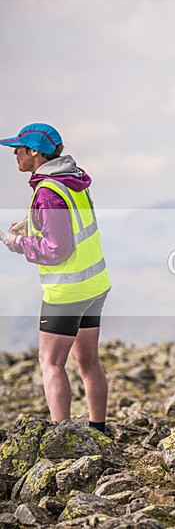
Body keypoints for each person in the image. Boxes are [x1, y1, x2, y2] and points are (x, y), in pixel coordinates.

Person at [1, 123, 111, 431]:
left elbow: (57, 249)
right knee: (88, 362)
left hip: (67, 292)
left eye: (18, 148)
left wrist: (17, 243)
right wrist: (31, 223)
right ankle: (97, 430)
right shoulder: (71, 179)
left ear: (34, 152)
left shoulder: (48, 192)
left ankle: (63, 438)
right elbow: (69, 220)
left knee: (50, 364)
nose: (14, 153)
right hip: (95, 285)